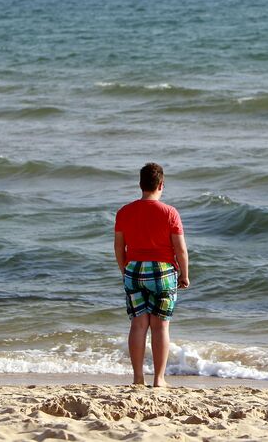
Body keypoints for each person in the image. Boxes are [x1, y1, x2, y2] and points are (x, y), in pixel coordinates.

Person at [114, 163, 190, 387]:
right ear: (161, 185)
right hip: (163, 271)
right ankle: (159, 378)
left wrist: (125, 270)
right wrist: (184, 274)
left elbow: (119, 247)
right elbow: (181, 249)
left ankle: (138, 378)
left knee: (138, 325)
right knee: (161, 326)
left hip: (134, 269)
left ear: (140, 185)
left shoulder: (124, 212)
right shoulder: (169, 213)